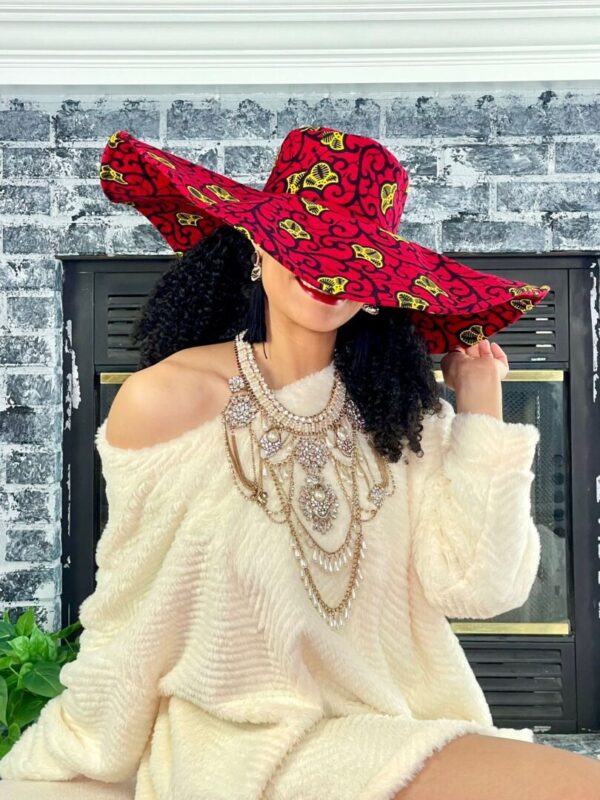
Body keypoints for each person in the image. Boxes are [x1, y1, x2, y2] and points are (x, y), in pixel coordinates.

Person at [1, 126, 598, 799]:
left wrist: (482, 403)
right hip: (240, 749)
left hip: (395, 726)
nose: (329, 268)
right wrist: (81, 754)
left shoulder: (401, 416)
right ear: (259, 244)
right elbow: (134, 608)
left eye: (355, 257)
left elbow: (477, 587)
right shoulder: (168, 399)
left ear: (378, 280)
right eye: (307, 243)